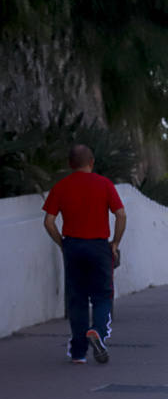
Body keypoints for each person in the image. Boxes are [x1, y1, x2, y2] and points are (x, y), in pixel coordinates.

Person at [41, 145, 126, 364]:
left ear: (70, 164)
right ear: (92, 162)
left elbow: (49, 222)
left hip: (73, 246)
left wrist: (62, 243)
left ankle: (78, 353)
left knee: (77, 299)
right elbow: (120, 214)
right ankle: (97, 331)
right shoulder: (104, 184)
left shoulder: (61, 186)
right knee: (102, 295)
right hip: (99, 246)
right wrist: (115, 243)